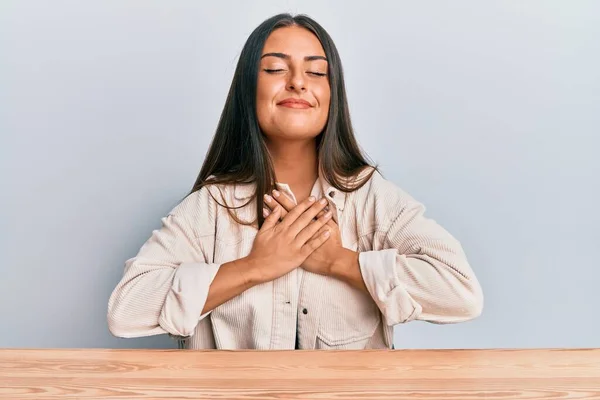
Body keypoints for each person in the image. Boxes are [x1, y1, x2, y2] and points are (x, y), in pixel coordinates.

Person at [107, 13, 483, 350]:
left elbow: (461, 291)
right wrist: (255, 266)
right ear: (246, 90)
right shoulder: (211, 207)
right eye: (274, 69)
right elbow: (126, 309)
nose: (298, 82)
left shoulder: (371, 199)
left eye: (316, 72)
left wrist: (340, 261)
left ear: (332, 94)